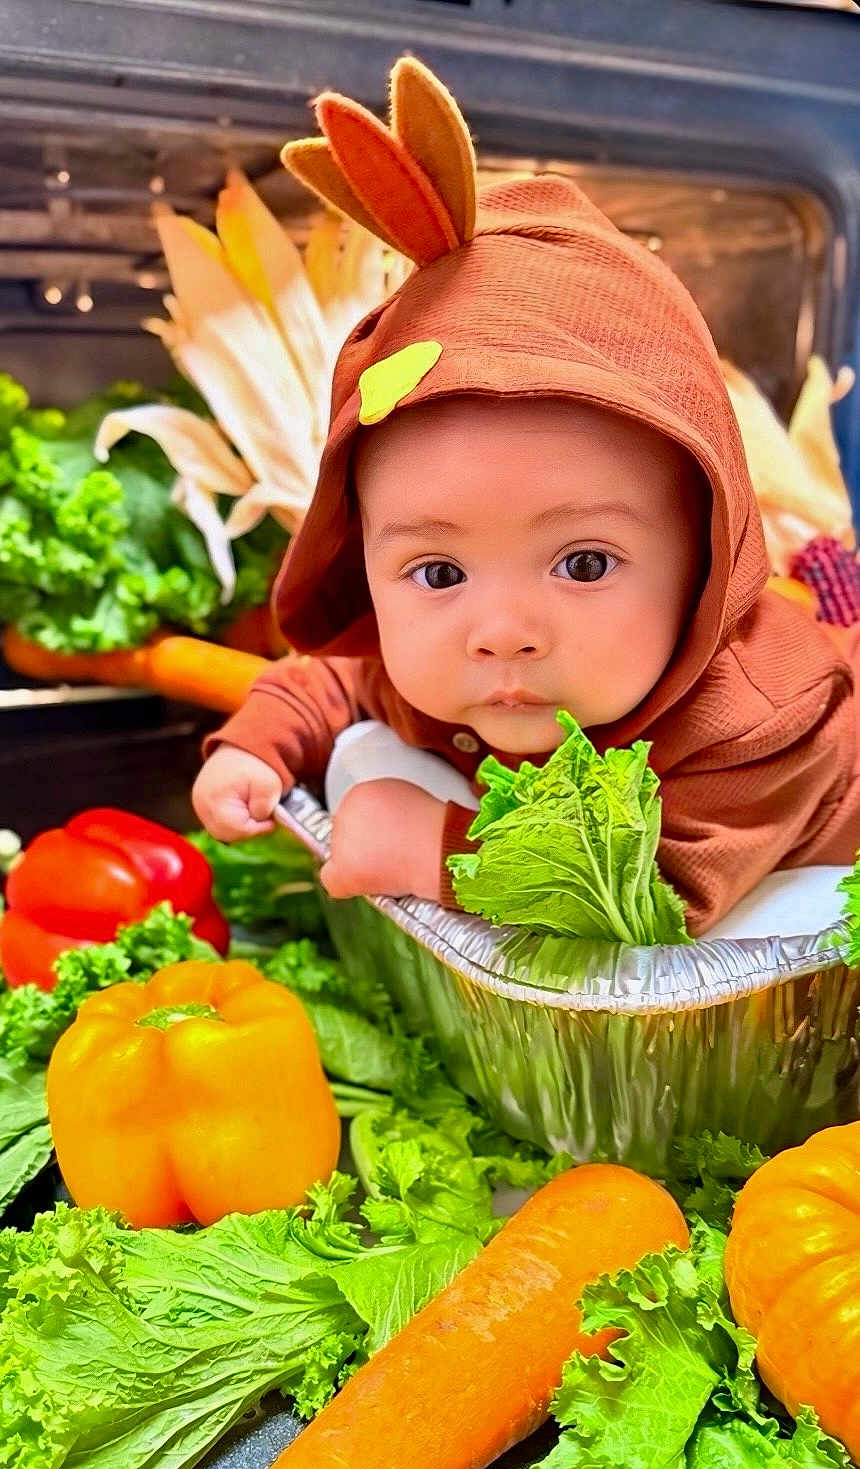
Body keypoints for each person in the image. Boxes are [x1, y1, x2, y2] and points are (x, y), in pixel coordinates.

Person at [193, 56, 859, 936]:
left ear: (706, 557)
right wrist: (255, 744)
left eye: (583, 563)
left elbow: (657, 898)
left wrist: (441, 850)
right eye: (436, 572)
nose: (502, 630)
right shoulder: (446, 666)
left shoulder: (756, 725)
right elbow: (337, 680)